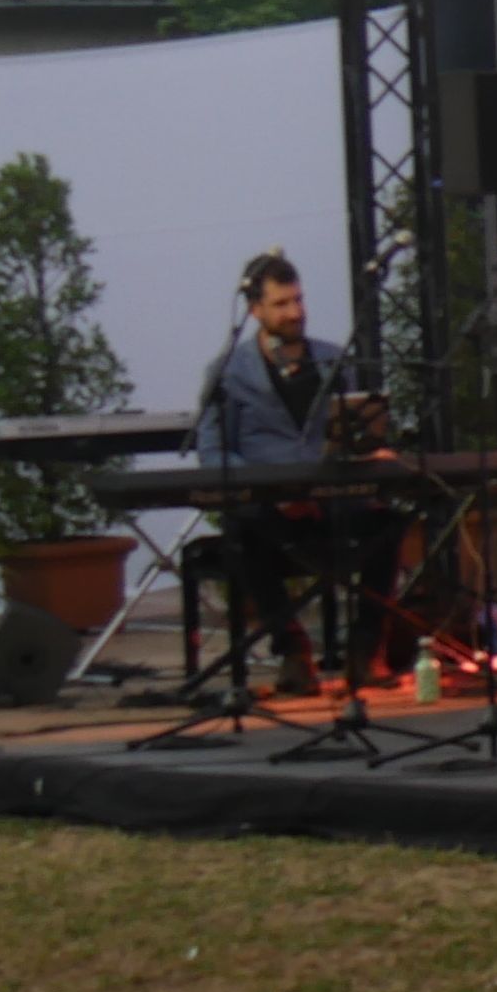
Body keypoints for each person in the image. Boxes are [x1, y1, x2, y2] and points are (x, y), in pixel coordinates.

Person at [187, 249, 375, 697]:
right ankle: (293, 649)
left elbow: (361, 436)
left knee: (385, 524)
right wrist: (269, 490)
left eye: (298, 301)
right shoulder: (229, 371)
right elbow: (213, 452)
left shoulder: (333, 362)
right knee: (243, 533)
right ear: (255, 311)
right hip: (266, 508)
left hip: (329, 502)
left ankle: (368, 649)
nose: (295, 312)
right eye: (281, 304)